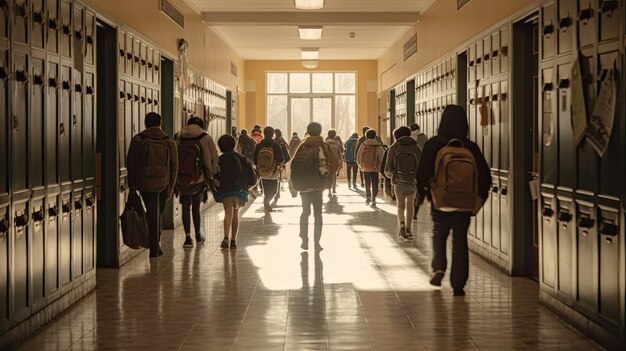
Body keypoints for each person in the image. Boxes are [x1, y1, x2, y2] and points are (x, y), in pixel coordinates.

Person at [417, 105, 491, 296]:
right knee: (460, 241)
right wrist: (479, 200)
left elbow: (422, 173)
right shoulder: (470, 146)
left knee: (439, 235)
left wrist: (424, 194)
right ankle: (458, 284)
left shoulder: (434, 144)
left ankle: (439, 268)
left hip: (440, 201)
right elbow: (484, 176)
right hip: (464, 204)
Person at [126, 112, 178, 257]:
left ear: (145, 123)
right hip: (163, 182)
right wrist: (171, 187)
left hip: (144, 182)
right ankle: (155, 244)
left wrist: (132, 184)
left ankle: (154, 244)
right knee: (157, 214)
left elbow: (131, 163)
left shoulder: (138, 140)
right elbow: (174, 167)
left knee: (150, 213)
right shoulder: (169, 142)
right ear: (160, 123)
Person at [290, 122, 339, 251]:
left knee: (305, 212)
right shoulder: (324, 146)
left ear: (308, 131)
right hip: (318, 187)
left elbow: (293, 164)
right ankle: (317, 243)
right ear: (320, 131)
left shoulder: (302, 145)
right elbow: (335, 163)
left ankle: (304, 240)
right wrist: (327, 178)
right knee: (318, 214)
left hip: (304, 187)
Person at [175, 116, 219, 248]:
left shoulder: (178, 136)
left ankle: (187, 238)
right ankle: (198, 235)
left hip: (181, 178)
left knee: (185, 207)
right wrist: (212, 174)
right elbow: (214, 156)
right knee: (196, 207)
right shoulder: (205, 137)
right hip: (200, 177)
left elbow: (173, 156)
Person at [212, 134, 257, 250]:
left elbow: (214, 175)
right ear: (235, 145)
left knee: (228, 213)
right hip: (240, 191)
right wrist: (247, 187)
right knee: (236, 214)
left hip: (225, 190)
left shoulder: (220, 159)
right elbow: (253, 178)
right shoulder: (242, 158)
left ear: (220, 146)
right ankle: (234, 241)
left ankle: (226, 237)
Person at [384, 126, 421, 240]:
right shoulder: (415, 147)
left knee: (400, 205)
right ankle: (409, 229)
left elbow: (387, 169)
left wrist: (392, 175)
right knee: (410, 205)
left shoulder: (394, 147)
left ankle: (402, 224)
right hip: (412, 181)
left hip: (398, 181)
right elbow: (421, 165)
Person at [254, 126, 285, 213]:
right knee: (274, 190)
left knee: (266, 188)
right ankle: (267, 201)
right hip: (274, 171)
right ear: (273, 134)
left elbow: (255, 158)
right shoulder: (275, 145)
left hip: (263, 171)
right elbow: (281, 159)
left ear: (264, 133)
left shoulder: (259, 145)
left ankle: (266, 200)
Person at [356, 129, 384, 206]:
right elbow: (382, 157)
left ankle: (368, 196)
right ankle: (374, 198)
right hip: (375, 168)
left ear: (366, 136)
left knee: (367, 182)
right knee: (375, 183)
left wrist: (361, 166)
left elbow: (359, 156)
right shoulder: (378, 145)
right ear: (375, 136)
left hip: (365, 167)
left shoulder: (363, 144)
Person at [273, 128, 291, 205]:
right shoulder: (283, 142)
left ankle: (274, 193)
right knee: (279, 178)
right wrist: (283, 163)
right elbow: (287, 153)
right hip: (281, 163)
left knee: (274, 177)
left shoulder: (273, 142)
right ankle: (277, 193)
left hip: (273, 163)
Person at [325, 129, 343, 197]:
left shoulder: (325, 143)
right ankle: (334, 189)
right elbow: (339, 154)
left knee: (328, 176)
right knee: (334, 176)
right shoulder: (337, 143)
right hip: (335, 161)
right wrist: (340, 163)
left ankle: (329, 190)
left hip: (327, 162)